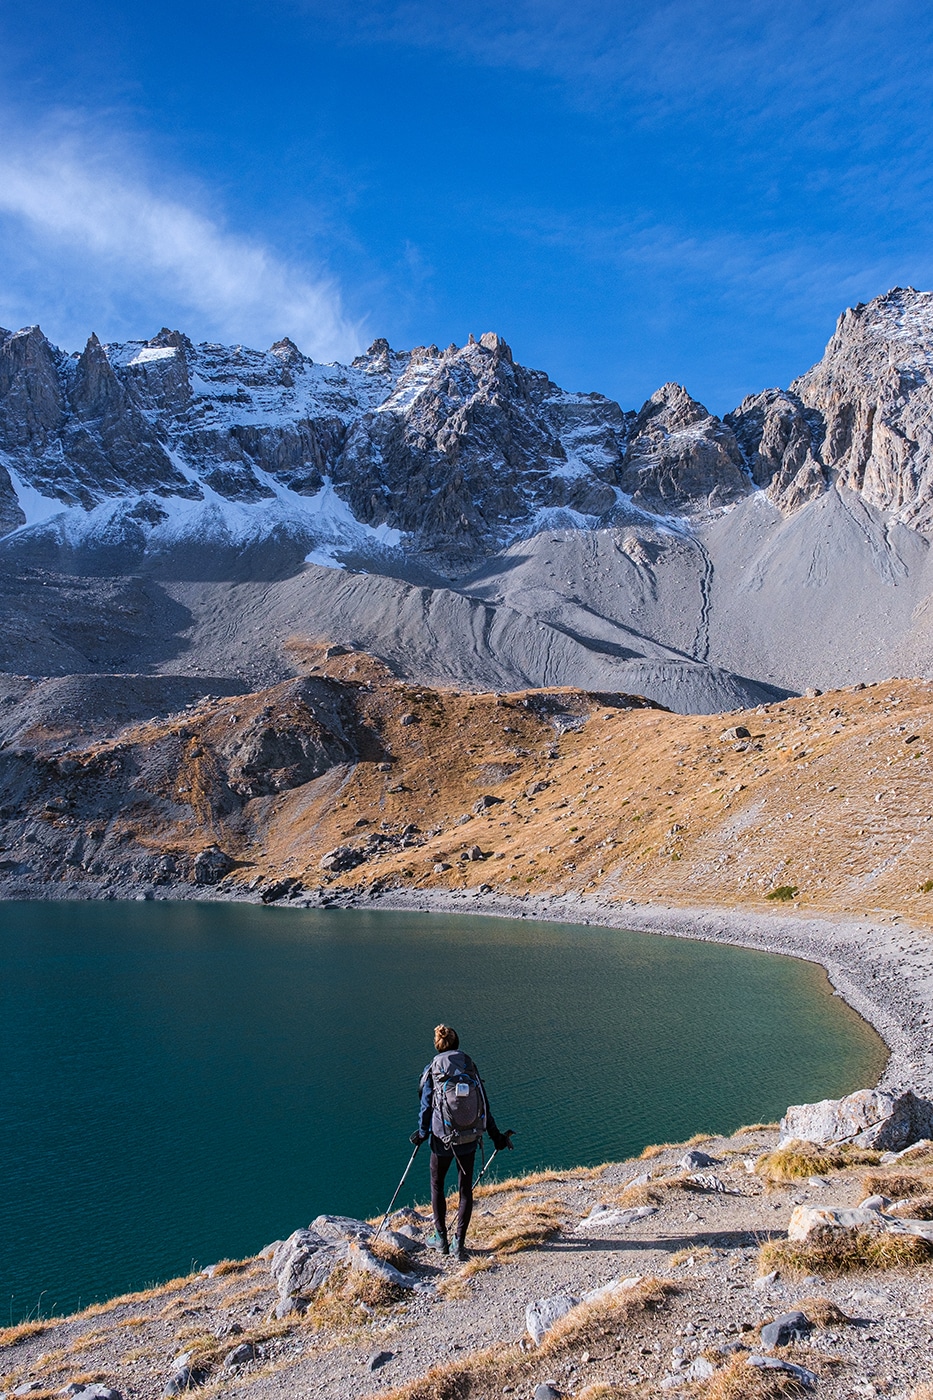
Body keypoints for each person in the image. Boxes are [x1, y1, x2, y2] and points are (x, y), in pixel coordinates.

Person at [410, 1024, 513, 1261]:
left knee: (437, 1183)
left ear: (437, 1046)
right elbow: (484, 1105)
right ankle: (459, 1243)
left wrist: (422, 1132)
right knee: (465, 1188)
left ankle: (440, 1238)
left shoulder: (433, 1069)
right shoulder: (469, 1066)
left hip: (441, 1137)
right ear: (457, 1043)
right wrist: (496, 1136)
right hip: (469, 1136)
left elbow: (426, 1105)